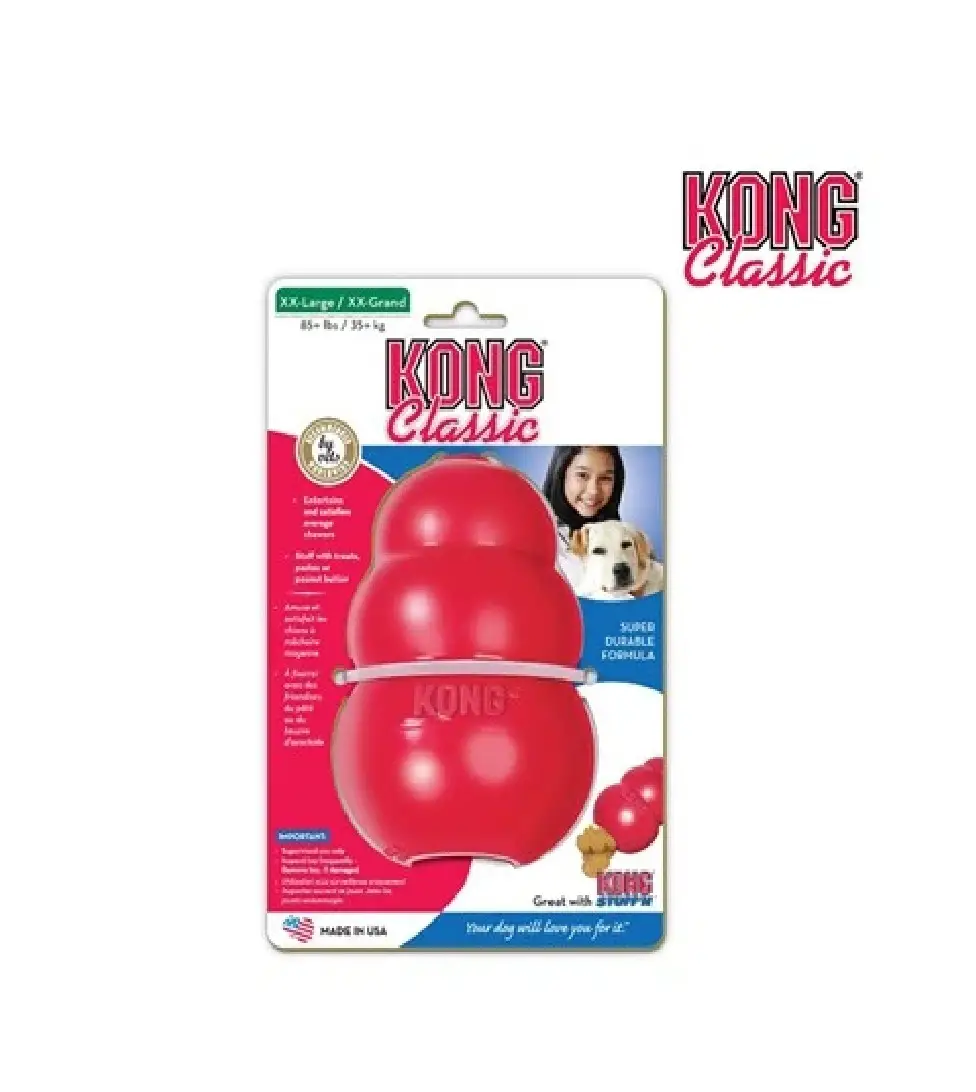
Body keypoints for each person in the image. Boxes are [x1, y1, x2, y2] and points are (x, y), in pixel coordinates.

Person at [541, 446, 626, 594]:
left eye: (605, 478)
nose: (594, 490)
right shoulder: (535, 537)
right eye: (582, 475)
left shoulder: (624, 537)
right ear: (561, 474)